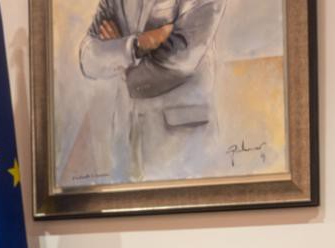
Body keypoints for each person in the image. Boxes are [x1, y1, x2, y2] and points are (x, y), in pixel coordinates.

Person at [78, 0, 227, 182]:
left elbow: (180, 60)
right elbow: (88, 58)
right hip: (125, 140)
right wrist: (137, 45)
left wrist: (119, 57)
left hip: (183, 146)